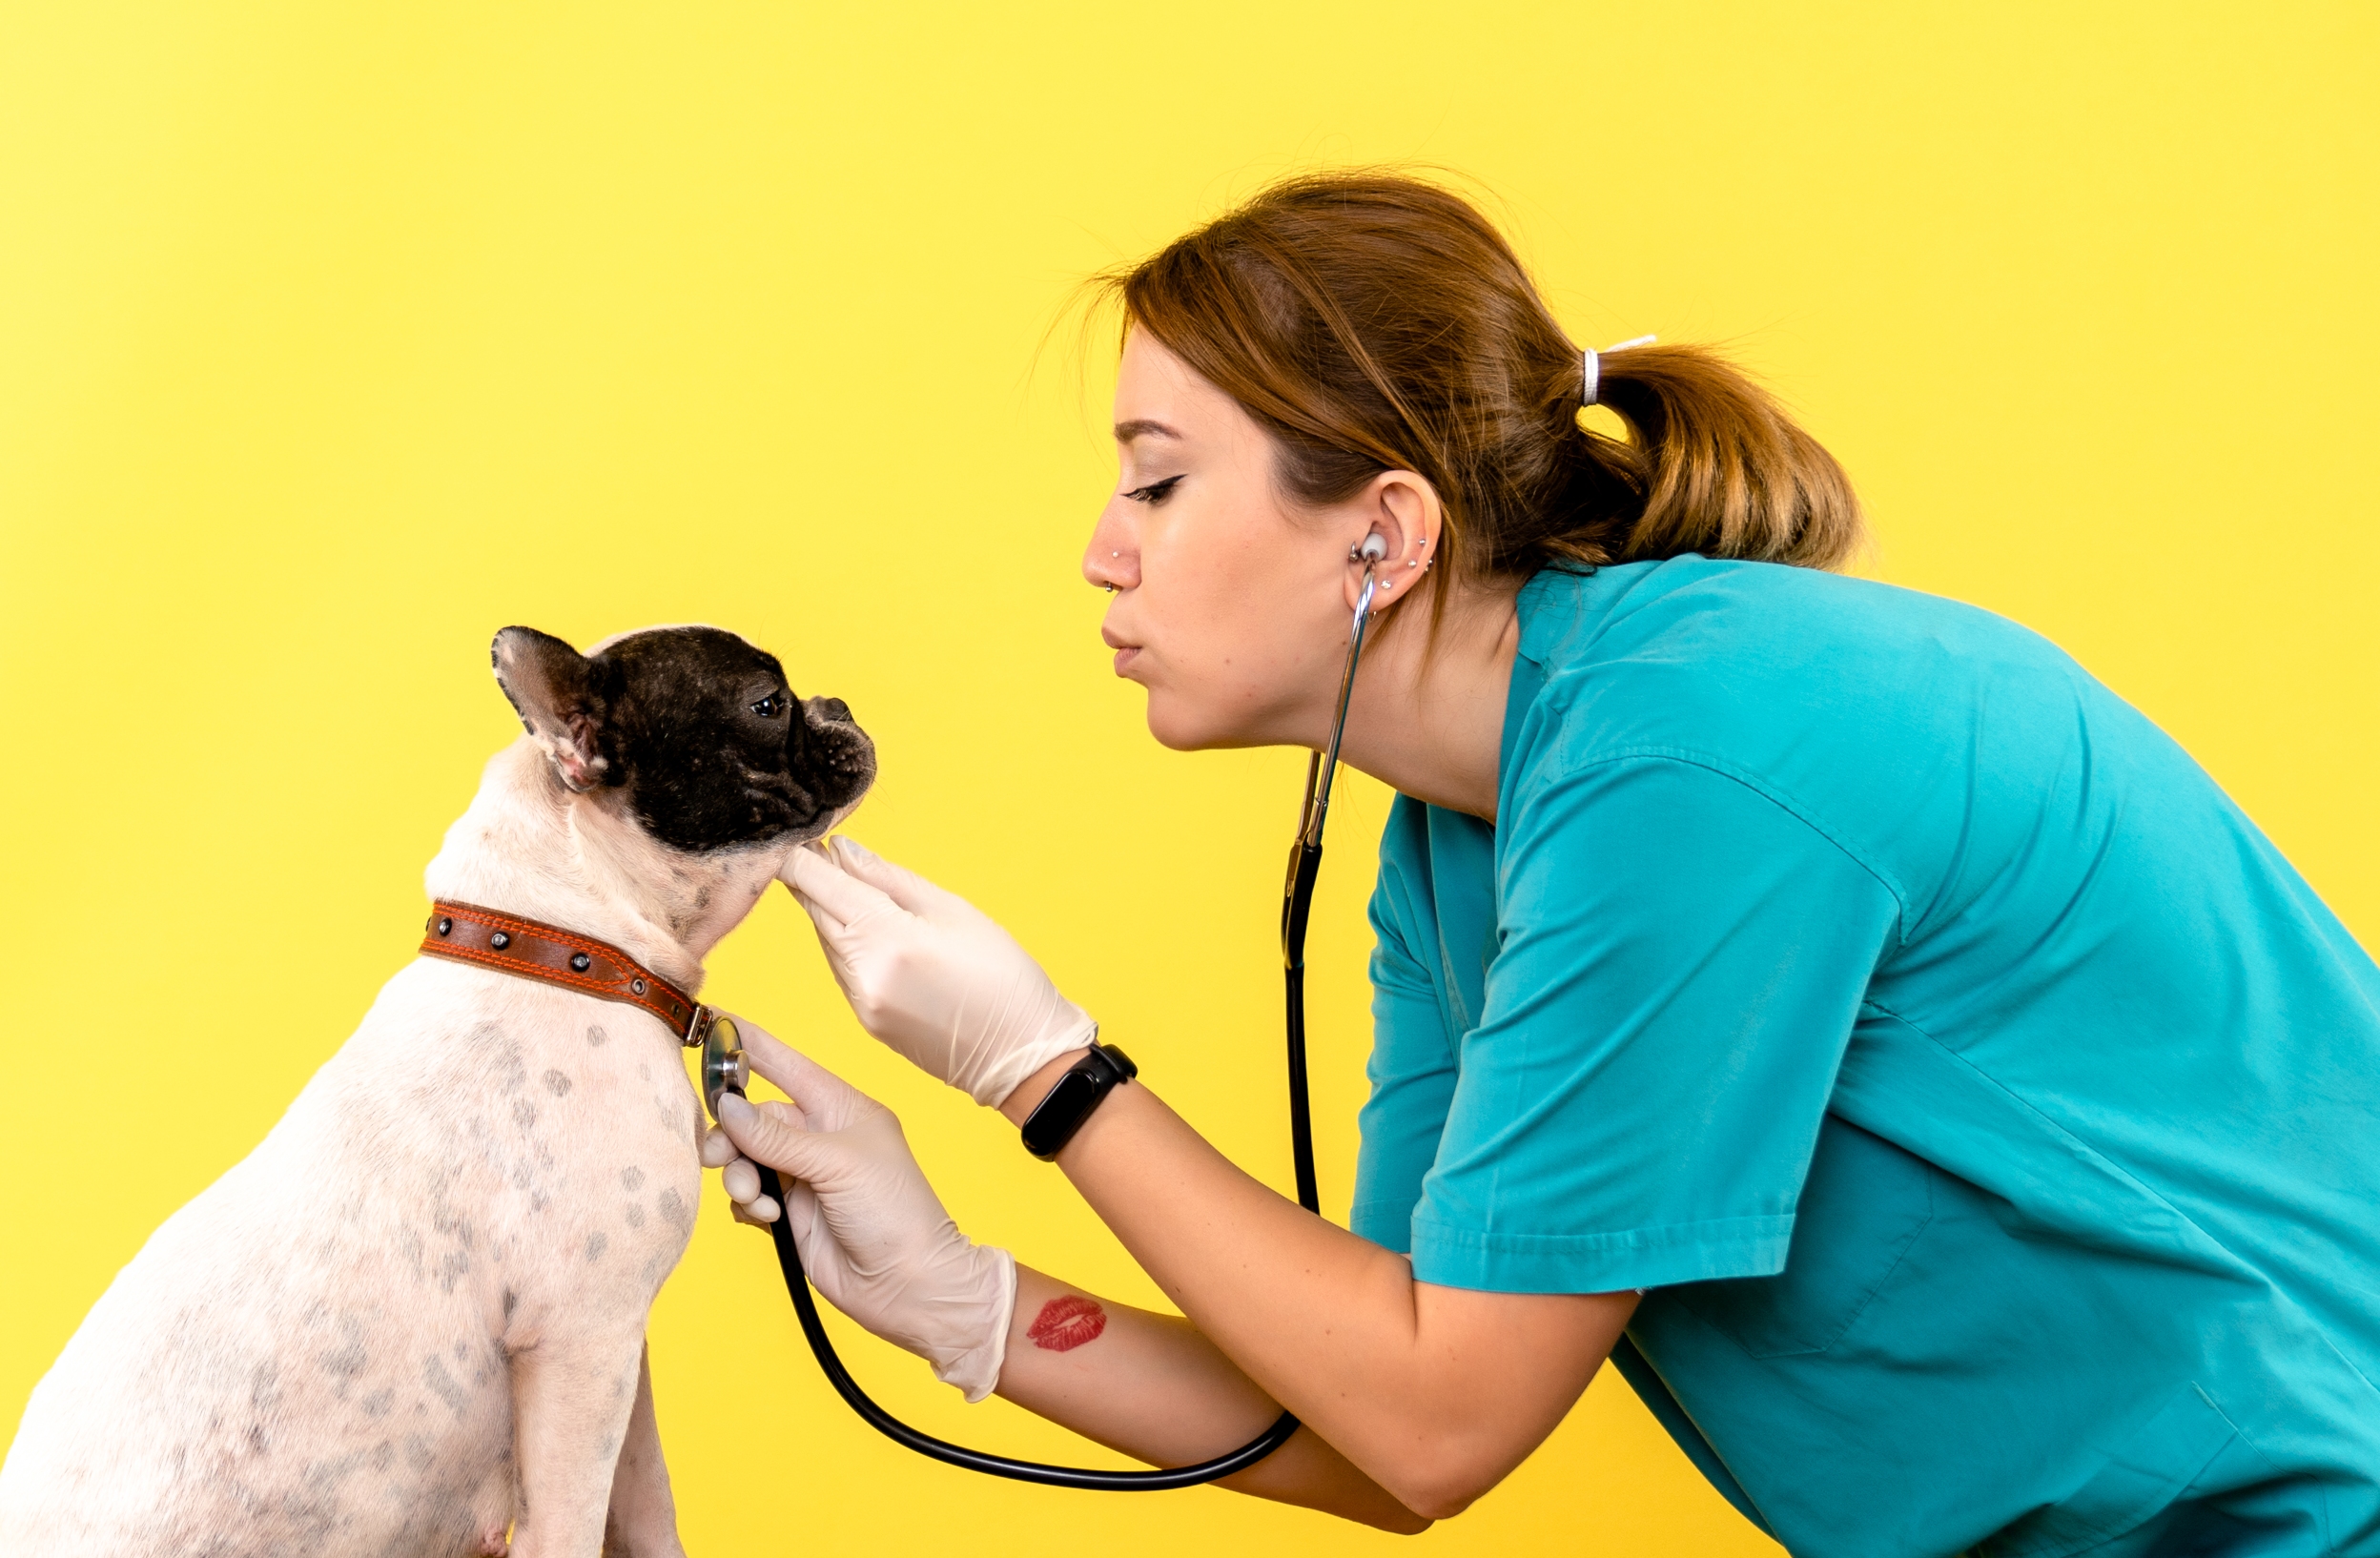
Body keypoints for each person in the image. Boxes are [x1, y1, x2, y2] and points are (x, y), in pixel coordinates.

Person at [702, 173, 2380, 1554]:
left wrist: (1045, 1073)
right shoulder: (1458, 851)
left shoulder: (1695, 745)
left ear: (1386, 531)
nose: (1100, 549)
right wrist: (969, 1301)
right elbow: (1370, 1415)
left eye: (1159, 478)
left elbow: (1438, 1414)